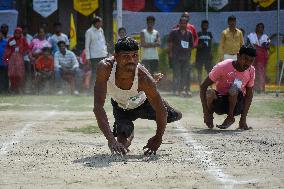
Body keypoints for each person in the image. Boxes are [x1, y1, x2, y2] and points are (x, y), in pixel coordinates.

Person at [93, 37, 182, 155]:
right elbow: (98, 107)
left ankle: (158, 97)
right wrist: (111, 140)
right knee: (122, 144)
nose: (131, 60)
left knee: (175, 115)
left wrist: (158, 137)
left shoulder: (143, 78)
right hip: (121, 107)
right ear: (116, 57)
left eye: (135, 55)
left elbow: (160, 110)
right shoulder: (105, 68)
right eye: (126, 56)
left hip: (144, 104)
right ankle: (127, 130)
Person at [200, 45, 256, 130]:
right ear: (238, 56)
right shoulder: (223, 66)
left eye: (251, 61)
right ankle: (210, 115)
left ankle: (230, 117)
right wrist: (206, 113)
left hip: (237, 106)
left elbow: (249, 95)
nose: (248, 63)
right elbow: (203, 86)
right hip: (220, 103)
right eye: (245, 59)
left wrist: (243, 119)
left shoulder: (251, 70)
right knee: (209, 92)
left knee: (234, 88)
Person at [168, 17, 193, 96]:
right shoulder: (174, 32)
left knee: (184, 74)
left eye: (185, 23)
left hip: (185, 57)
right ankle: (174, 90)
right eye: (182, 23)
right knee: (176, 74)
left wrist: (189, 54)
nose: (183, 24)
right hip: (176, 57)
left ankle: (181, 90)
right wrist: (170, 53)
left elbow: (191, 45)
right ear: (179, 23)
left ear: (187, 24)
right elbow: (170, 43)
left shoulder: (189, 33)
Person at [4, 27, 29, 94]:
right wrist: (7, 58)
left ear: (21, 33)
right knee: (12, 75)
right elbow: (7, 49)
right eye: (16, 32)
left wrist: (22, 52)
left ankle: (19, 89)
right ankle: (12, 89)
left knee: (19, 75)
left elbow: (27, 48)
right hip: (12, 59)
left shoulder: (23, 40)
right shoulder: (11, 39)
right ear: (14, 33)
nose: (17, 34)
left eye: (19, 33)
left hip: (20, 59)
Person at [85, 16, 108, 86]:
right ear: (96, 23)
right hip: (94, 57)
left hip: (103, 55)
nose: (101, 24)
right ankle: (92, 89)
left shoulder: (101, 30)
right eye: (100, 22)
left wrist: (106, 53)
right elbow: (87, 45)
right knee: (95, 73)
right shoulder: (89, 32)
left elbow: (103, 42)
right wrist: (88, 58)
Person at [247, 23, 270, 93]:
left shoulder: (266, 37)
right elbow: (247, 44)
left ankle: (260, 88)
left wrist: (265, 45)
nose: (260, 29)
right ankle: (251, 88)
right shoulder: (251, 35)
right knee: (251, 71)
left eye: (261, 27)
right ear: (256, 28)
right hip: (252, 55)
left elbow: (268, 46)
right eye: (258, 27)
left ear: (263, 29)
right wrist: (252, 46)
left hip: (262, 57)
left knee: (261, 72)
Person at [196, 20, 213, 84]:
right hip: (199, 55)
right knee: (199, 70)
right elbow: (195, 45)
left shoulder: (209, 34)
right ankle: (200, 84)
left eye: (206, 25)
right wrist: (200, 46)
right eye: (204, 25)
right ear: (201, 25)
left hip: (207, 55)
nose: (205, 26)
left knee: (209, 70)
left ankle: (209, 84)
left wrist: (211, 52)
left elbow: (211, 44)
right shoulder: (198, 34)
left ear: (208, 26)